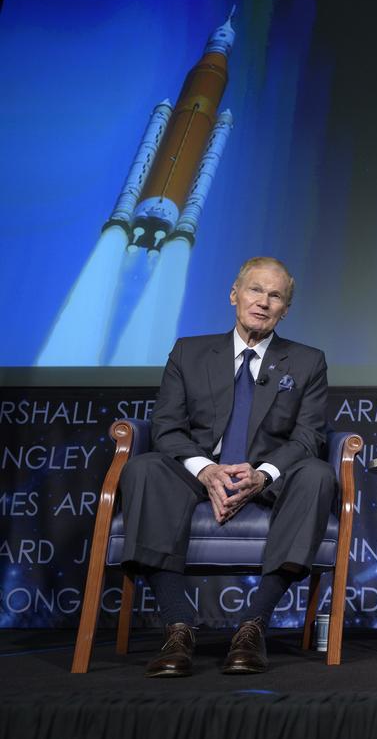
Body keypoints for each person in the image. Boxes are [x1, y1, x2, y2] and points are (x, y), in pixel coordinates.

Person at [117, 256, 334, 677]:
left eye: (276, 296)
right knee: (142, 468)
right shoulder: (189, 351)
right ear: (234, 294)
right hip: (195, 475)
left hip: (268, 477)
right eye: (255, 290)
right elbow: (166, 426)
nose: (263, 302)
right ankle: (178, 628)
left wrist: (261, 474)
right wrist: (206, 471)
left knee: (318, 474)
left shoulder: (308, 361)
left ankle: (251, 628)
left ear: (285, 309)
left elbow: (309, 437)